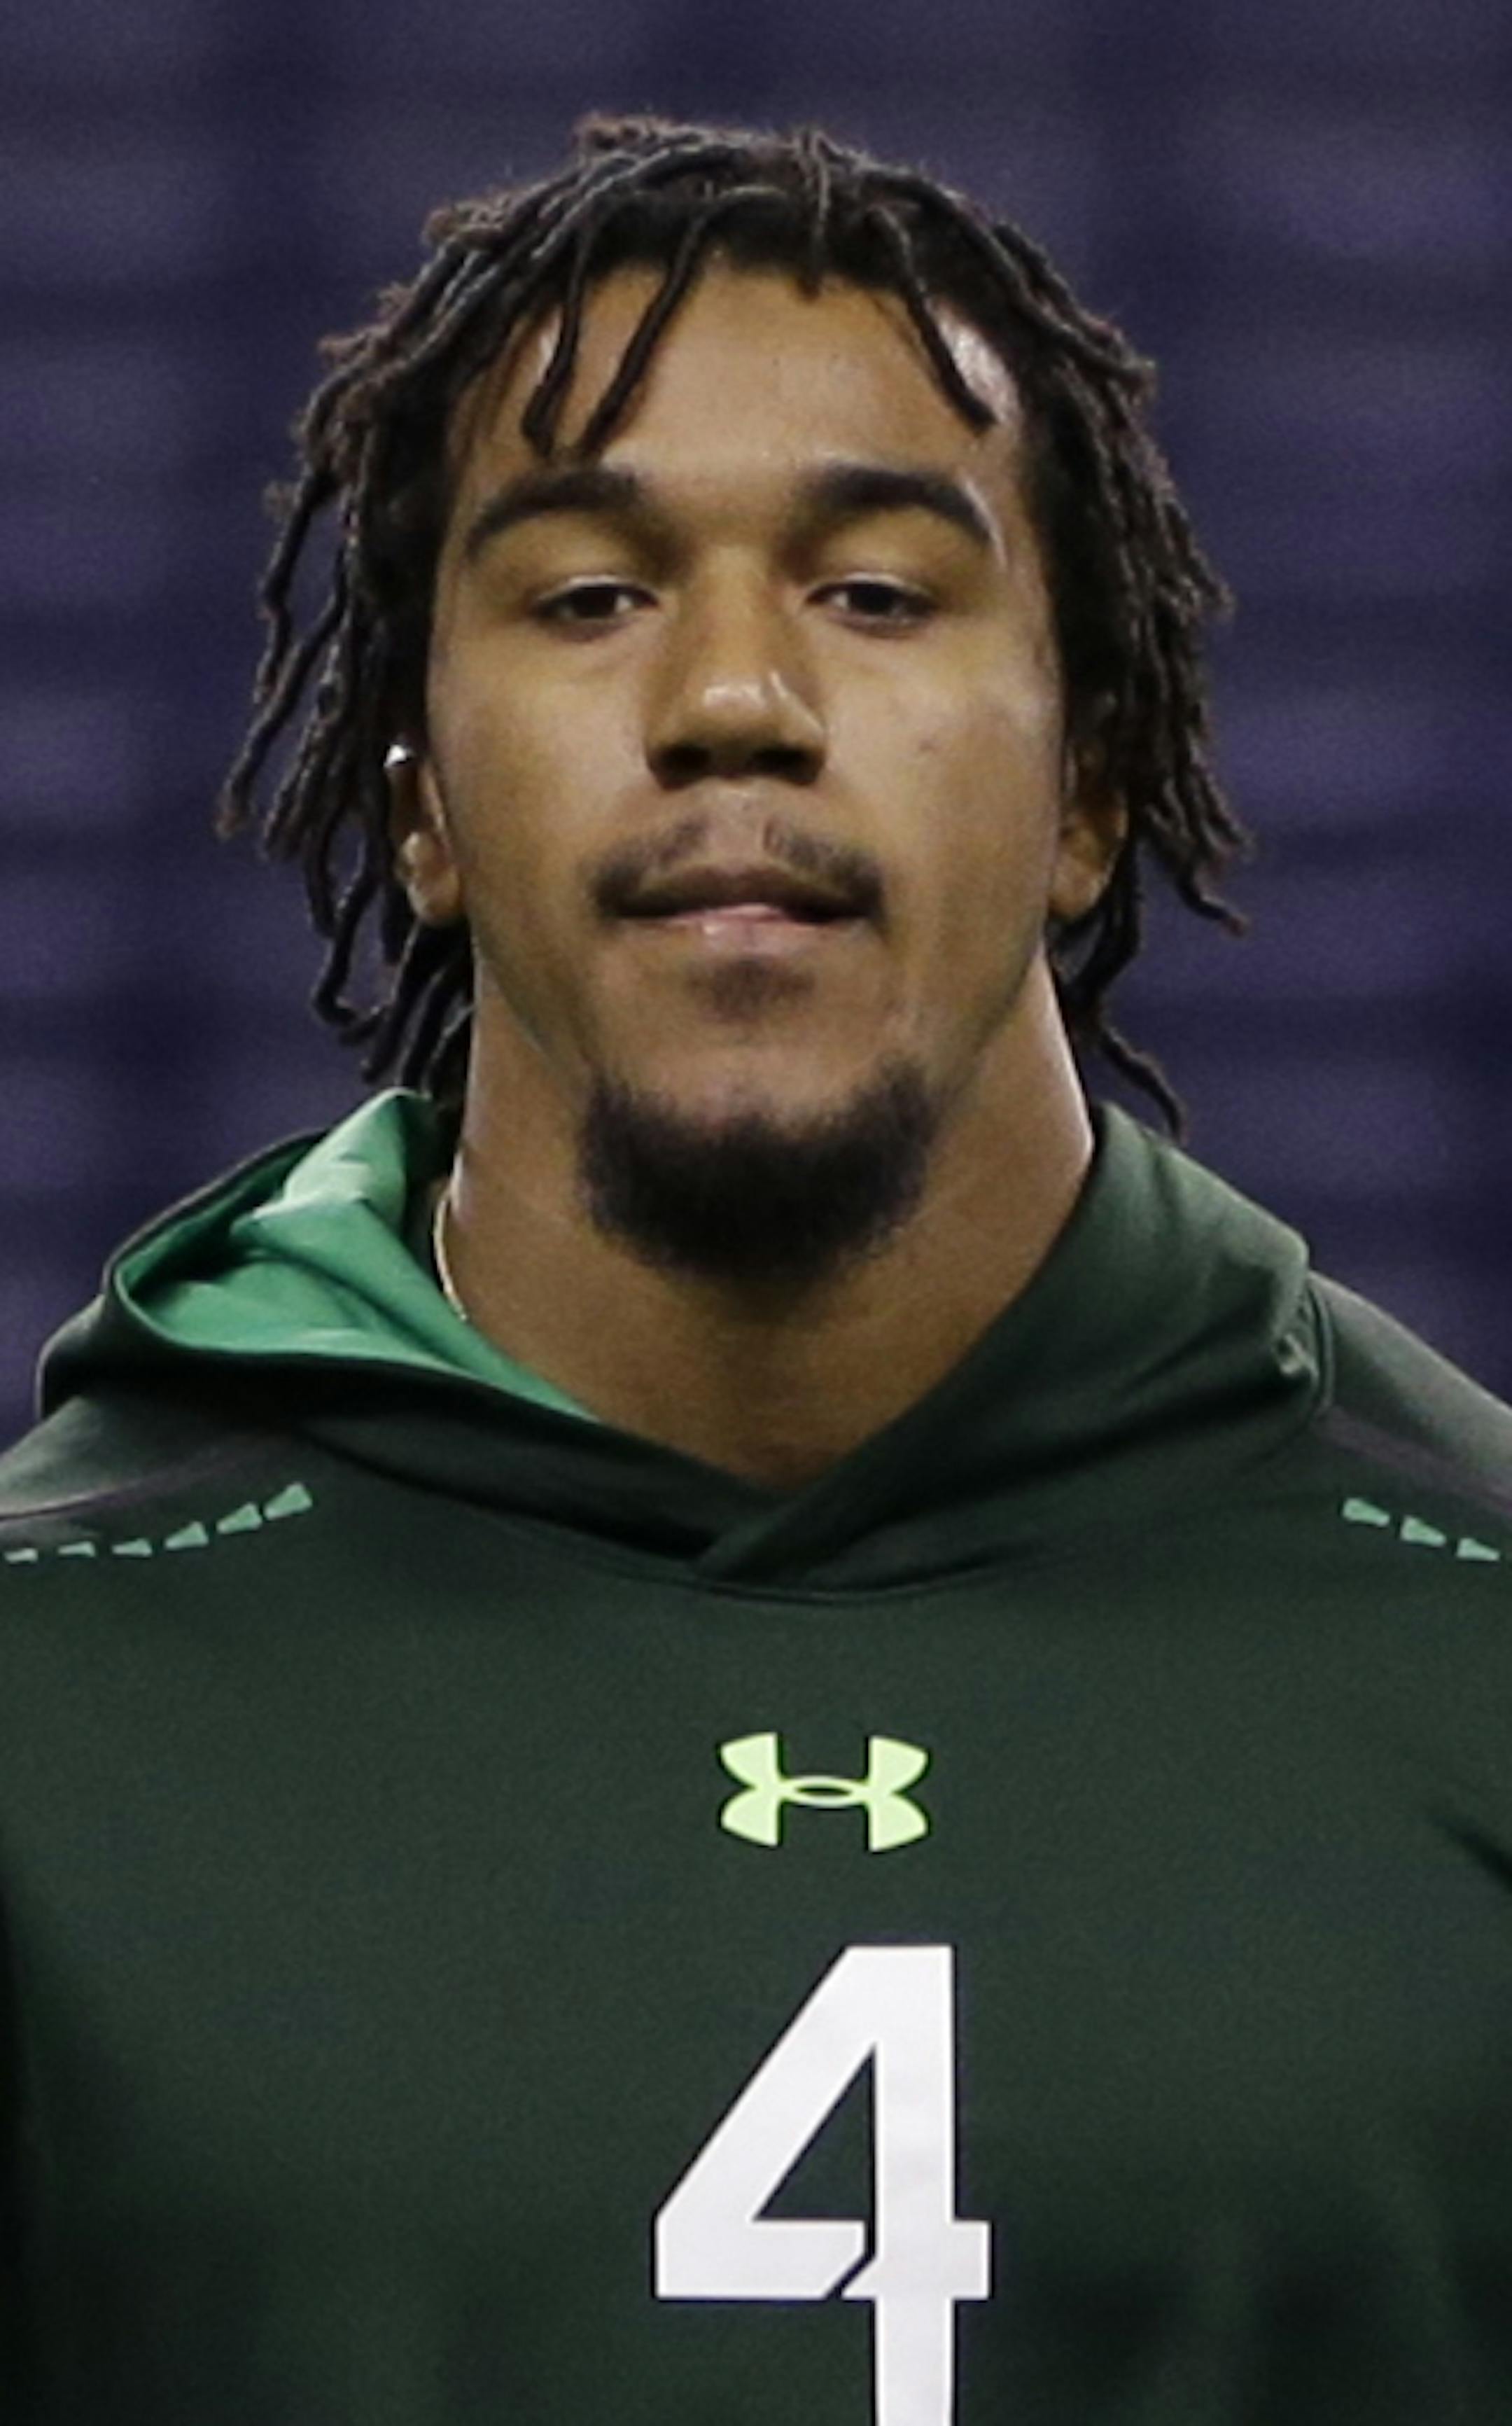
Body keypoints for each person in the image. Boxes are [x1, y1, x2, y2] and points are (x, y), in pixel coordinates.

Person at [2, 109, 1511, 2426]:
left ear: (1094, 773)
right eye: (591, 594)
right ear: (419, 796)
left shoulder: (1473, 1636)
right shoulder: (56, 1703)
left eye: (878, 593)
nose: (732, 700)